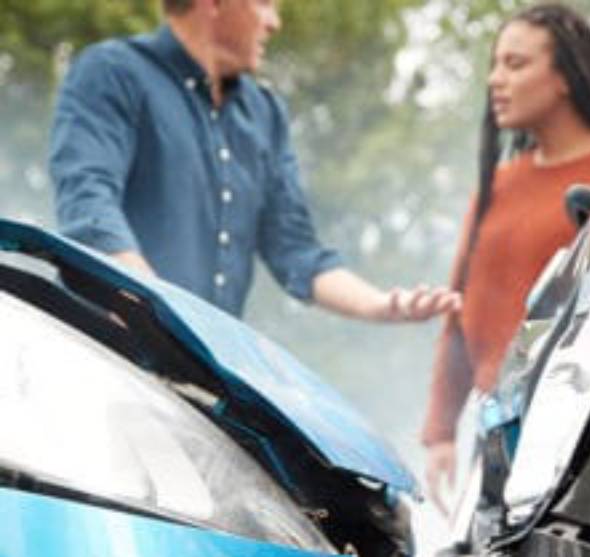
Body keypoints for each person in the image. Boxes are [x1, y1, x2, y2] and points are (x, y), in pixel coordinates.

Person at [49, 0, 460, 323]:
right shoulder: (112, 71)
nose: (274, 22)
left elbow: (295, 250)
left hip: (195, 382)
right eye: (264, 3)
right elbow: (88, 203)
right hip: (102, 359)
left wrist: (383, 304)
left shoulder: (265, 113)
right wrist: (152, 309)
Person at [421, 3, 590, 514]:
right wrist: (441, 432)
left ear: (566, 76)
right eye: (494, 64)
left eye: (515, 64)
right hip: (498, 441)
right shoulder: (497, 186)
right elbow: (459, 312)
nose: (495, 80)